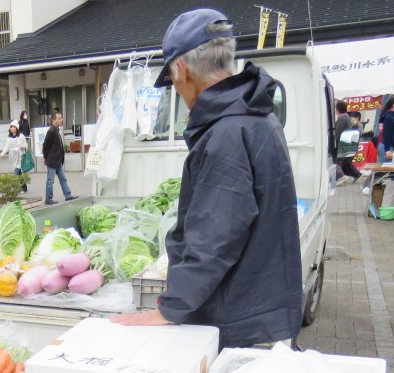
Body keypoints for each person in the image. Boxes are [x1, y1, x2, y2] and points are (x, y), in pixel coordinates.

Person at [112, 8, 302, 349]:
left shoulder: (228, 131)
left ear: (181, 70)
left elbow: (216, 236)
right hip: (257, 310)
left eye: (171, 81)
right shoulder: (254, 113)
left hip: (238, 323)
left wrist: (170, 309)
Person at [42, 111, 78, 205]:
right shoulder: (51, 131)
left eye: (61, 118)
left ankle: (68, 195)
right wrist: (45, 157)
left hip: (57, 160)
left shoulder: (56, 130)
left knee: (63, 179)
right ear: (53, 120)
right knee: (50, 180)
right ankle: (48, 198)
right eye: (59, 118)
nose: (61, 120)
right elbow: (45, 146)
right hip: (52, 160)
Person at [334, 100, 362, 184]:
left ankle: (341, 176)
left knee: (340, 162)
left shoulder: (342, 118)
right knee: (346, 162)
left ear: (338, 109)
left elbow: (338, 133)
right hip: (349, 142)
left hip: (344, 143)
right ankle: (356, 174)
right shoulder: (347, 117)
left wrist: (335, 142)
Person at [0, 121, 28, 193]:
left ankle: (14, 189)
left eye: (14, 127)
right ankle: (24, 188)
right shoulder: (9, 137)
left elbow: (26, 146)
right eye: (11, 127)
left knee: (16, 173)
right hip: (13, 157)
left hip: (20, 157)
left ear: (17, 128)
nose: (12, 128)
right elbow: (7, 146)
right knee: (20, 174)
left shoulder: (21, 136)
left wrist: (21, 146)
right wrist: (2, 154)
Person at [378, 96, 394, 161]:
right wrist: (387, 149)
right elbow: (386, 134)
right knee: (385, 168)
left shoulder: (391, 116)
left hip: (389, 146)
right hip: (387, 147)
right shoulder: (389, 117)